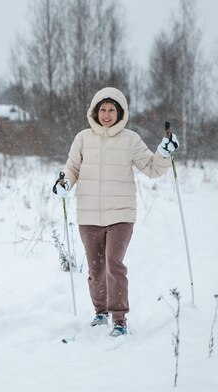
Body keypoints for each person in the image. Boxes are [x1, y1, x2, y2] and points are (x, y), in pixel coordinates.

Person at [53, 86, 179, 337]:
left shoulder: (130, 139)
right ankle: (100, 312)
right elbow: (72, 168)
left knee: (113, 264)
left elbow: (152, 169)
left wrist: (164, 153)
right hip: (88, 214)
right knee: (95, 268)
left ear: (120, 112)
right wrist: (64, 183)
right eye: (103, 109)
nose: (107, 114)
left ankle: (119, 320)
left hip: (121, 214)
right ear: (94, 111)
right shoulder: (82, 138)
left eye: (112, 110)